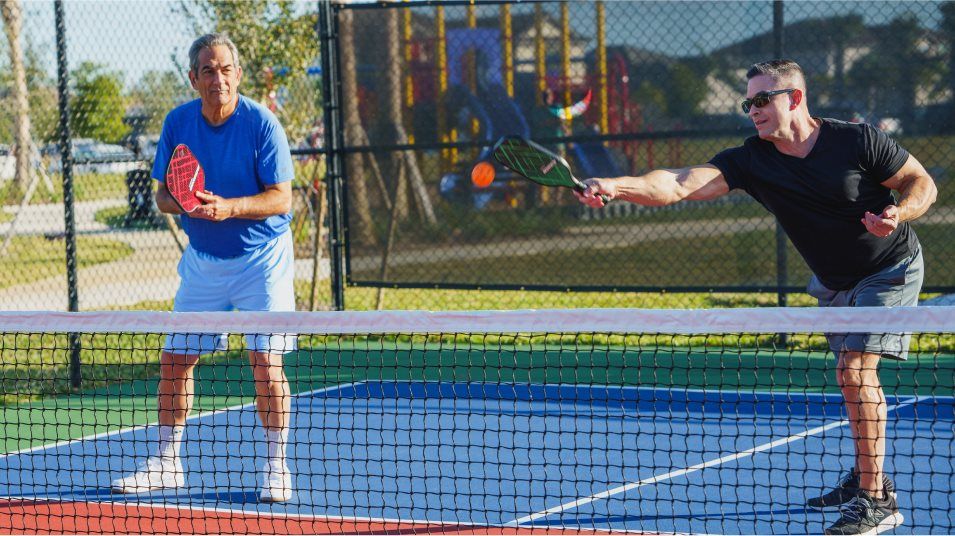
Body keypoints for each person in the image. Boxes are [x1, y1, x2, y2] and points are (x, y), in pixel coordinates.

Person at [576, 59, 937, 535]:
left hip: (890, 267)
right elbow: (679, 182)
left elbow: (922, 183)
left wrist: (898, 212)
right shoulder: (752, 160)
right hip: (834, 281)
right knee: (850, 378)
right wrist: (617, 186)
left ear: (796, 98)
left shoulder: (856, 140)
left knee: (854, 369)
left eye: (763, 100)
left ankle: (877, 500)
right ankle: (865, 475)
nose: (753, 110)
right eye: (749, 102)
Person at [111, 33, 297, 503]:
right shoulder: (178, 123)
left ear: (238, 74)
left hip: (262, 258)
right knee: (174, 360)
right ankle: (167, 463)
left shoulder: (261, 124)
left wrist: (229, 207)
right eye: (208, 71)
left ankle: (277, 467)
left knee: (265, 361)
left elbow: (281, 197)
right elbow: (162, 195)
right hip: (204, 262)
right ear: (193, 78)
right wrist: (187, 205)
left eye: (225, 69)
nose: (218, 78)